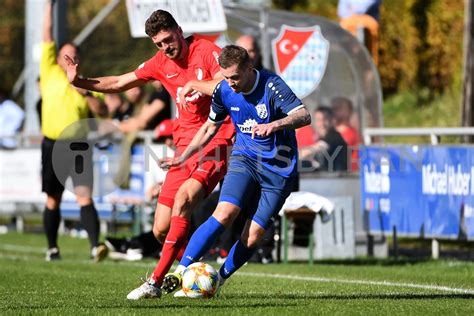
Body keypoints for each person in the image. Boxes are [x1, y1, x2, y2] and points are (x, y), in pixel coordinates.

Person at [65, 9, 234, 299]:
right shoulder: (161, 63)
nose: (166, 47)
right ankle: (191, 276)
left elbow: (225, 82)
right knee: (160, 229)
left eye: (169, 39)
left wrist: (195, 84)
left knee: (183, 201)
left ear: (179, 30)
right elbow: (119, 82)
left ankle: (157, 281)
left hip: (217, 139)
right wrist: (80, 81)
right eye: (159, 44)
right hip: (183, 147)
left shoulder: (205, 51)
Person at [161, 45, 311, 295]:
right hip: (245, 159)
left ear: (249, 69)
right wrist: (182, 157)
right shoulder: (223, 91)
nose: (230, 83)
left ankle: (217, 281)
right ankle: (179, 272)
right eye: (226, 76)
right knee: (224, 213)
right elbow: (210, 127)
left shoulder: (272, 86)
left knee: (252, 236)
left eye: (235, 77)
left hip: (279, 169)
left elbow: (304, 115)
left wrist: (275, 125)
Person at [40, 1, 108, 261]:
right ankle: (52, 248)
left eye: (73, 57)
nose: (69, 60)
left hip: (78, 144)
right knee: (52, 198)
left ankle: (94, 246)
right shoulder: (50, 72)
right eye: (65, 56)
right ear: (57, 59)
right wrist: (48, 6)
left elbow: (101, 112)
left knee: (84, 197)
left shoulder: (83, 82)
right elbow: (47, 35)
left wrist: (86, 93)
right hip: (52, 143)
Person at [300, 106, 348, 172]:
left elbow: (312, 150)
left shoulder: (334, 137)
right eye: (318, 120)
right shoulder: (321, 138)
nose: (322, 124)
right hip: (327, 179)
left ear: (331, 121)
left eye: (325, 119)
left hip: (337, 180)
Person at [331, 97, 360, 171]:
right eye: (333, 108)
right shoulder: (330, 133)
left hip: (348, 173)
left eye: (339, 108)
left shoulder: (352, 134)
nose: (334, 111)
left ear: (349, 111)